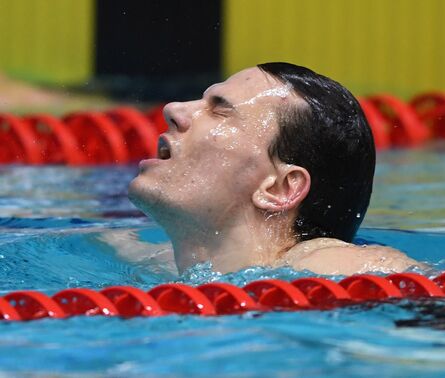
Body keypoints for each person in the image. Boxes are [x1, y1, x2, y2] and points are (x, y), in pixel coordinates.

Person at [125, 62, 418, 275]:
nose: (174, 109)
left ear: (279, 188)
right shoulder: (159, 263)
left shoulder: (328, 266)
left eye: (219, 110)